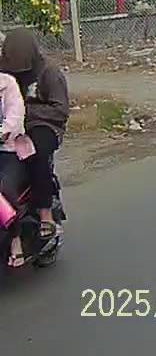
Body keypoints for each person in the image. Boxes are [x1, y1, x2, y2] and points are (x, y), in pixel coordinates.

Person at [0, 29, 69, 252]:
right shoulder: (4, 71)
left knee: (35, 153)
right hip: (10, 126)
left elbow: (60, 110)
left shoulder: (49, 73)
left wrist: (24, 111)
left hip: (43, 125)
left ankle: (45, 214)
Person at [0, 67, 28, 266]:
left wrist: (3, 132)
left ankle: (15, 239)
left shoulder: (7, 83)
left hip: (9, 150)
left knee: (3, 187)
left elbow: (14, 120)